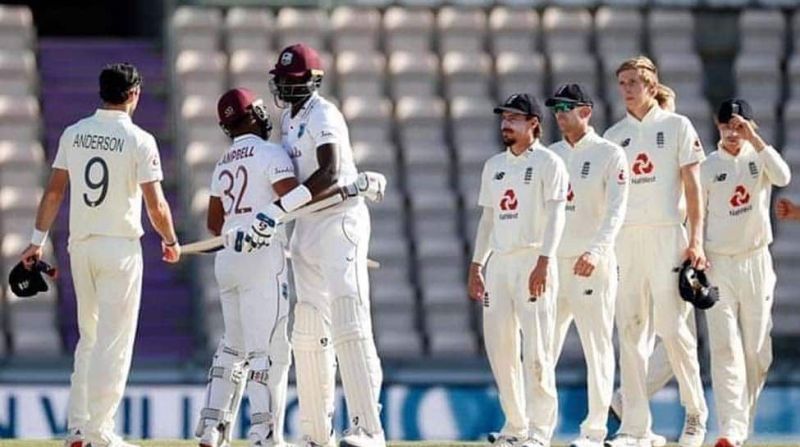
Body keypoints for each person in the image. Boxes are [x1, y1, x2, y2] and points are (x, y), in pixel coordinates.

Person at [19, 63, 180, 447]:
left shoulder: (75, 133)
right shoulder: (140, 139)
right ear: (135, 94)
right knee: (114, 341)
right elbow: (156, 205)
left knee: (89, 338)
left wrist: (36, 239)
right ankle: (100, 432)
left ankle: (78, 429)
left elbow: (54, 191)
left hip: (82, 246)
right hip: (119, 247)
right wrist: (171, 240)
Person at [245, 43, 386, 447]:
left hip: (339, 221)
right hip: (305, 228)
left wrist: (278, 209)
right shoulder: (288, 119)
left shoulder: (324, 114)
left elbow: (327, 172)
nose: (284, 86)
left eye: (292, 79)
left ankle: (367, 429)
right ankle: (315, 432)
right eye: (281, 79)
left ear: (311, 81)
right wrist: (276, 212)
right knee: (308, 327)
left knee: (349, 318)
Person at [602, 56, 708, 447]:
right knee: (630, 331)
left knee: (675, 330)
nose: (627, 88)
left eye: (633, 81)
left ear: (651, 84)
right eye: (622, 82)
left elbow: (695, 190)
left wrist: (695, 240)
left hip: (667, 236)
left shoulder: (677, 126)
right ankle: (635, 427)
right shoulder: (613, 137)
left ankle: (695, 413)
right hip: (626, 241)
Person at [194, 88, 297, 447]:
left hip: (228, 259)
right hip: (261, 255)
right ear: (252, 115)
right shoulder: (271, 153)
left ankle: (212, 428)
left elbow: (213, 222)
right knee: (267, 350)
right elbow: (293, 198)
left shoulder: (223, 162)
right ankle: (263, 434)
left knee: (233, 347)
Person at [467, 93, 569, 447]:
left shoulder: (548, 163)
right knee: (500, 348)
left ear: (534, 125)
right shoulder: (494, 164)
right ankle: (515, 426)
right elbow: (488, 219)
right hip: (501, 263)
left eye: (514, 118)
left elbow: (557, 214)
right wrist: (477, 263)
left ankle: (540, 432)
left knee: (538, 350)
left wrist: (544, 260)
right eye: (503, 118)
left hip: (532, 260)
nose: (505, 124)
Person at [701, 99, 790, 447]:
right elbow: (694, 211)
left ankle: (742, 423)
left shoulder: (759, 157)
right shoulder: (708, 166)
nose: (732, 133)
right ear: (717, 125)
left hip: (756, 261)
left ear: (749, 125)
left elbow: (784, 176)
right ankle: (731, 430)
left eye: (738, 126)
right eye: (726, 126)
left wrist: (755, 139)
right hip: (719, 264)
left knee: (756, 350)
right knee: (724, 348)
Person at [546, 84, 629, 447]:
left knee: (597, 348)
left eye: (567, 107)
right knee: (541, 349)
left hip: (590, 264)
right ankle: (536, 429)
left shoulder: (610, 154)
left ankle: (594, 432)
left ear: (586, 111)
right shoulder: (549, 155)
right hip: (553, 265)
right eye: (556, 109)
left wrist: (596, 251)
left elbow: (616, 210)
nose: (560, 114)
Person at [608, 82, 684, 447]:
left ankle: (628, 404)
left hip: (678, 252)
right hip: (641, 249)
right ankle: (633, 417)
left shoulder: (678, 148)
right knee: (641, 334)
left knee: (673, 339)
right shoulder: (634, 144)